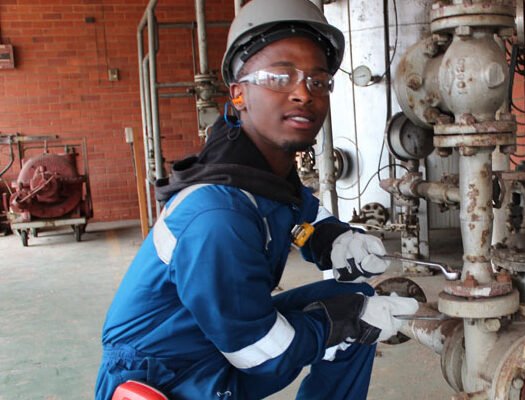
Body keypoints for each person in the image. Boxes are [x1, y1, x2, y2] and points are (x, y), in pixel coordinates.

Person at [94, 1, 418, 399]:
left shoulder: (263, 176)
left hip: (211, 343)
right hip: (165, 375)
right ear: (238, 94)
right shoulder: (217, 215)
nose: (303, 93)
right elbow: (263, 353)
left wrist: (337, 241)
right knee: (353, 318)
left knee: (355, 302)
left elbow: (305, 218)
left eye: (318, 81)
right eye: (280, 77)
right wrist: (345, 322)